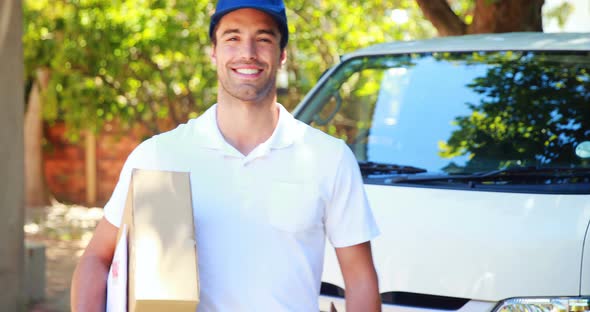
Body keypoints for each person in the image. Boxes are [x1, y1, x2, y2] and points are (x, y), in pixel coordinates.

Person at [70, 0, 381, 310]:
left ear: (282, 54)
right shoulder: (160, 155)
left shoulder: (328, 157)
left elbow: (359, 278)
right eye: (232, 37)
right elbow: (97, 258)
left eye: (263, 39)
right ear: (214, 53)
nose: (247, 52)